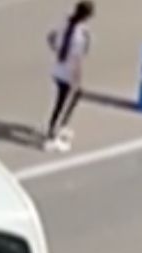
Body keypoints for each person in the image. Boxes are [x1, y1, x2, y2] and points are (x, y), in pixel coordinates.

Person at [42, 1, 95, 152]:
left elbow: (51, 37)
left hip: (57, 68)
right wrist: (77, 80)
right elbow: (78, 60)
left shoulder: (65, 21)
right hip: (68, 74)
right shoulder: (80, 36)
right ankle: (52, 135)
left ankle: (60, 126)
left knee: (66, 101)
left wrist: (58, 52)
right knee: (63, 104)